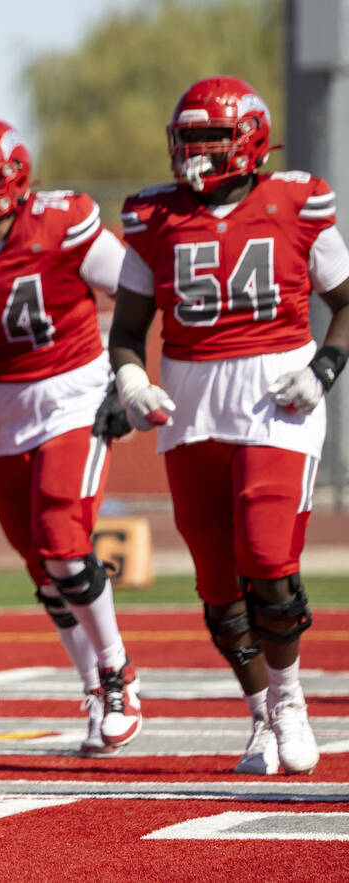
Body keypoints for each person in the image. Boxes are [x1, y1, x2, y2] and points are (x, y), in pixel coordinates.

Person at [109, 76, 349, 775]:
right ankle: (257, 716)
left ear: (247, 139)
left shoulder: (297, 200)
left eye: (209, 139)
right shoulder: (153, 218)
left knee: (268, 555)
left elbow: (347, 302)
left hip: (278, 390)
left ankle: (290, 697)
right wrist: (129, 380)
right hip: (189, 396)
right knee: (217, 581)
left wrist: (323, 371)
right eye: (187, 139)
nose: (194, 153)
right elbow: (127, 330)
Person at [0, 118, 142, 756]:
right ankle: (93, 684)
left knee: (62, 542)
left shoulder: (64, 221)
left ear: (12, 178)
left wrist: (127, 381)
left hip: (71, 391)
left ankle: (118, 672)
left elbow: (140, 294)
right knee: (42, 567)